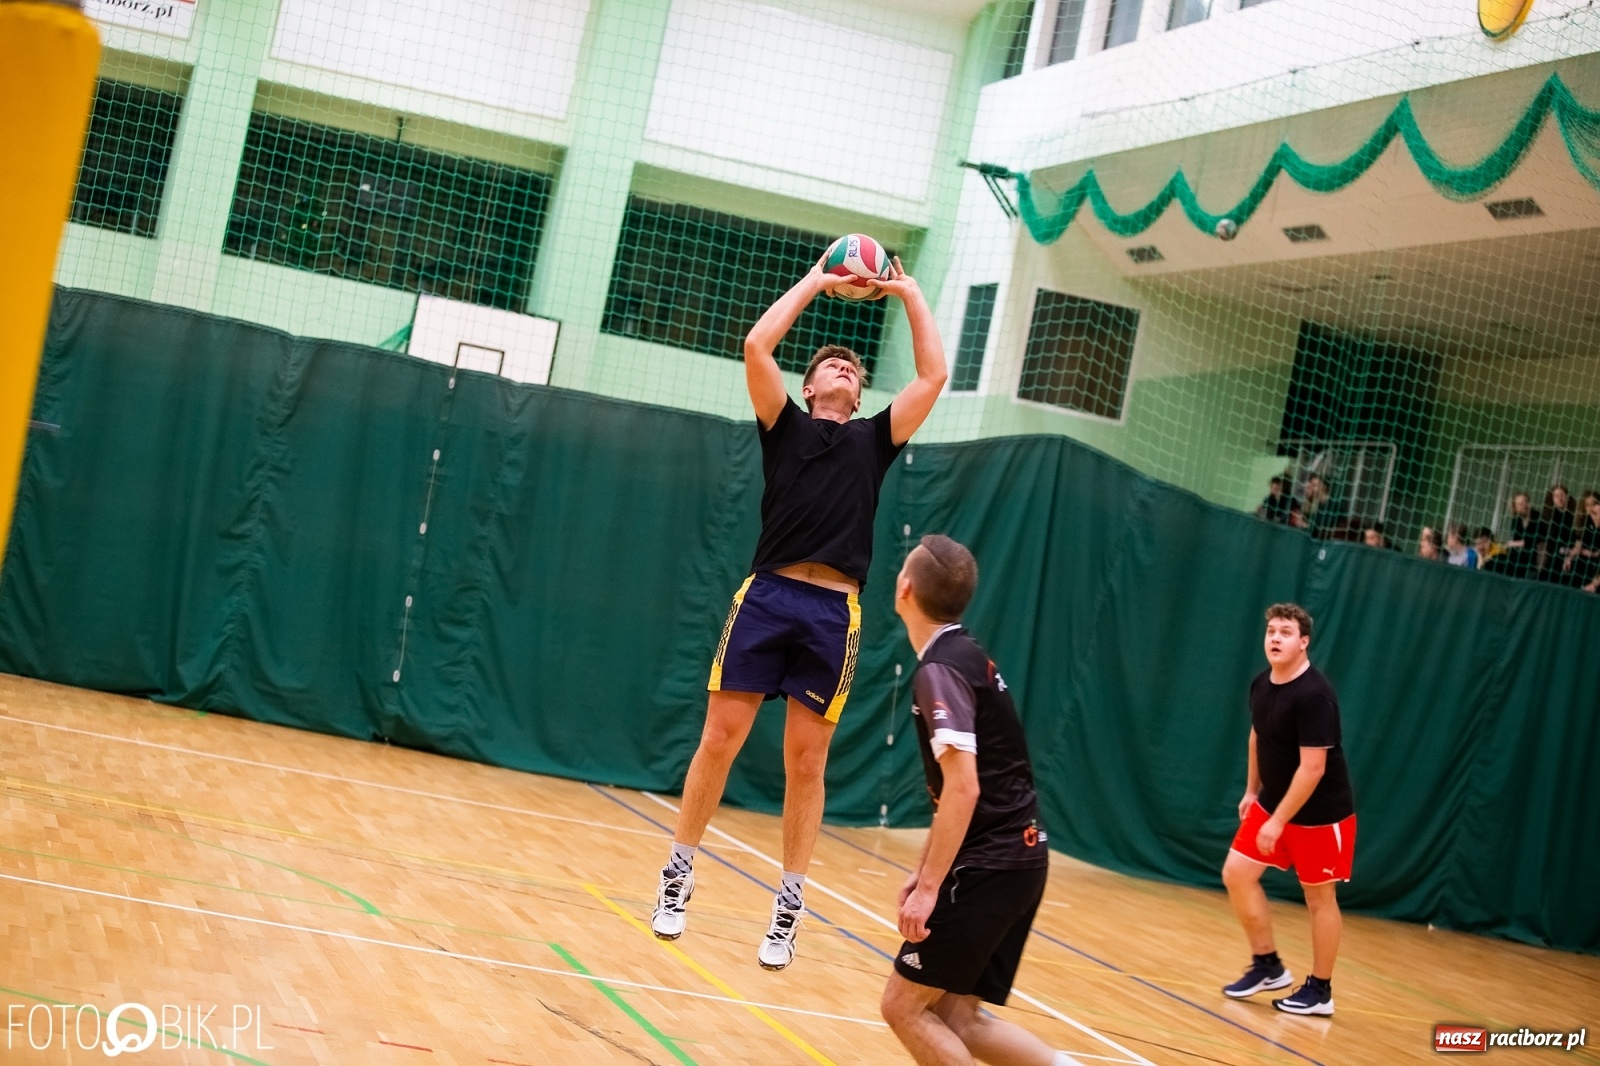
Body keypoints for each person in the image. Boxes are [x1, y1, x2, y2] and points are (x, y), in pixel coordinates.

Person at [650, 253, 947, 970]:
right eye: (831, 366)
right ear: (810, 385)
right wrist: (818, 279)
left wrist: (907, 292)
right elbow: (757, 345)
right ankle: (678, 872)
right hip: (769, 595)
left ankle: (788, 903)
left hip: (831, 614)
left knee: (806, 763)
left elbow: (933, 376)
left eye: (853, 368)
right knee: (719, 738)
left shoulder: (874, 441)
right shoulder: (781, 423)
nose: (844, 370)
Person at [878, 535, 1069, 1066]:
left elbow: (964, 787)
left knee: (904, 1007)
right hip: (1021, 858)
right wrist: (924, 870)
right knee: (958, 1018)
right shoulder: (968, 656)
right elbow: (955, 797)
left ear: (905, 588)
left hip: (993, 864)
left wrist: (930, 889)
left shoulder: (939, 670)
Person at [1221, 604, 1356, 1018]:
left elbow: (1314, 767)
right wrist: (1251, 790)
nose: (1275, 638)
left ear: (1304, 642)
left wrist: (1279, 820)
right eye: (1271, 631)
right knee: (1236, 874)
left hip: (1321, 814)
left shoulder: (1315, 695)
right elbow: (1256, 737)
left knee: (1319, 898)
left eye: (1285, 632)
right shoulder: (1262, 683)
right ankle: (1268, 965)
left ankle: (1320, 990)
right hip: (1272, 801)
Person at [1559, 492, 1600, 590]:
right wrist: (1569, 557)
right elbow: (1578, 545)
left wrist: (1594, 554)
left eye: (1594, 504)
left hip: (1597, 562)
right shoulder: (1585, 523)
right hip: (1586, 560)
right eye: (1587, 505)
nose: (1591, 508)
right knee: (1572, 564)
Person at [1539, 485, 1578, 582]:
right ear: (1552, 499)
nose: (1560, 498)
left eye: (1562, 495)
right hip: (1552, 557)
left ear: (1567, 497)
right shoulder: (1547, 517)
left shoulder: (1575, 517)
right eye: (1556, 496)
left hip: (1571, 555)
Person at [1500, 492, 1538, 578]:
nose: (1524, 505)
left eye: (1525, 501)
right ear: (1515, 507)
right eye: (1520, 503)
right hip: (1517, 560)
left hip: (1532, 560)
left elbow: (1532, 541)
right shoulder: (1516, 519)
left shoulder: (1537, 517)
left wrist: (1511, 543)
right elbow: (1516, 538)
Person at [1301, 475, 1340, 539]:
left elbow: (1321, 527)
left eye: (1314, 485)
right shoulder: (1316, 504)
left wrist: (1305, 525)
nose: (1311, 488)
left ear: (1324, 487)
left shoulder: (1331, 506)